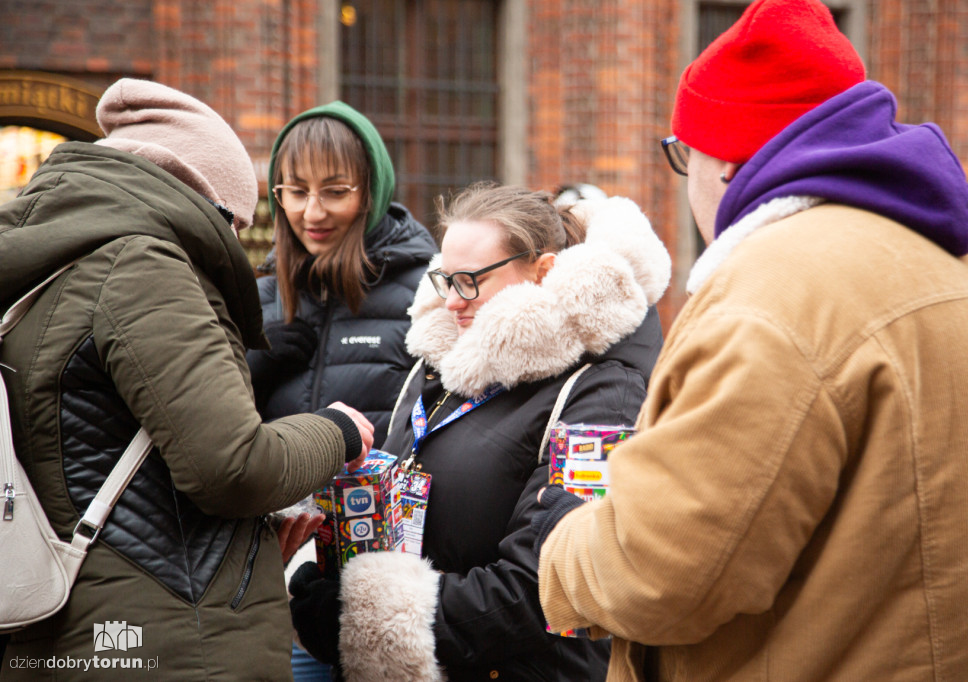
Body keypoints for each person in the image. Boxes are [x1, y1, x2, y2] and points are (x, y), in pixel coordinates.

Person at [532, 0, 968, 680]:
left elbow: (661, 571)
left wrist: (560, 542)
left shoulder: (772, 294)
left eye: (684, 154)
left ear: (727, 163)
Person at [0, 78, 373, 680]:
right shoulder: (140, 265)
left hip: (64, 623)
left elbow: (99, 457)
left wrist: (244, 546)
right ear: (200, 200)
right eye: (230, 222)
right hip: (172, 638)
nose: (230, 242)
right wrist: (337, 431)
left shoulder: (51, 263)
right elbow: (234, 468)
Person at [287, 182, 671, 680]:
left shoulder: (605, 390)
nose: (451, 301)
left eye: (470, 281)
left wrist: (358, 617)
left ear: (543, 271)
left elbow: (546, 584)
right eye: (445, 279)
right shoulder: (444, 361)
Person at [248, 101, 436, 444]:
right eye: (297, 192)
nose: (313, 213)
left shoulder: (426, 296)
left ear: (371, 193)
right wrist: (247, 369)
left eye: (335, 192)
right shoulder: (257, 301)